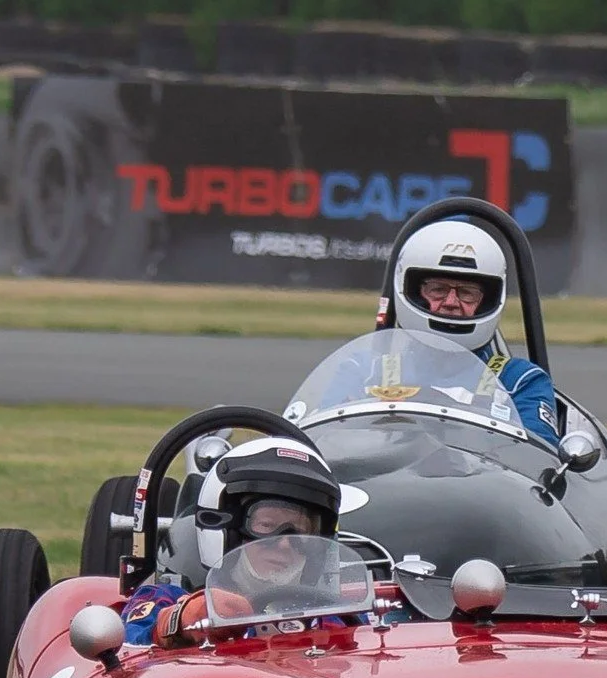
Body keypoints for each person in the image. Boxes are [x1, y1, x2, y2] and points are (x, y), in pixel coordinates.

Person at [121, 437, 344, 648]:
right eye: (267, 525)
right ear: (226, 530)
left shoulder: (336, 614)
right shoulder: (168, 598)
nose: (284, 543)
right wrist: (181, 621)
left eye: (300, 532)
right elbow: (129, 638)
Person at [380, 219, 560, 445]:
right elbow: (329, 444)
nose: (451, 302)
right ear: (414, 293)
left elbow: (539, 462)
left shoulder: (518, 381)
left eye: (467, 293)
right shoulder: (366, 371)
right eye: (438, 290)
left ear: (486, 301)